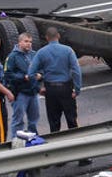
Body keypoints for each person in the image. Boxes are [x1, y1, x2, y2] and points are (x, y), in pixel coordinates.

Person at [29, 26, 86, 159]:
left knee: (54, 125)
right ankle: (81, 156)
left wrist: (38, 88)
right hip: (66, 89)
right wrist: (77, 89)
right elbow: (76, 71)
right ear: (58, 36)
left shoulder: (41, 52)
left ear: (46, 38)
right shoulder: (68, 50)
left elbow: (31, 73)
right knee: (72, 122)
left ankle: (58, 158)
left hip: (50, 90)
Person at [3, 32, 40, 137]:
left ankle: (33, 139)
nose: (29, 44)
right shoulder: (12, 57)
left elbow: (42, 68)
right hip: (20, 93)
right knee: (18, 120)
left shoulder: (34, 54)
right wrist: (23, 77)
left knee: (34, 119)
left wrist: (40, 75)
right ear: (19, 43)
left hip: (33, 92)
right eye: (26, 41)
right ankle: (16, 141)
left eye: (30, 42)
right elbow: (7, 74)